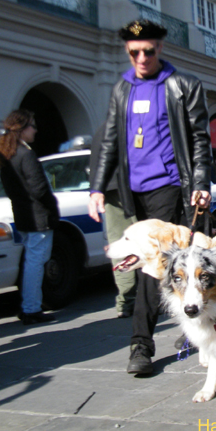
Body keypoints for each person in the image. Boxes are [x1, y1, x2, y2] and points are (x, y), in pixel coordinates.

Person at [88, 20, 211, 376]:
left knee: (149, 265)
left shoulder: (183, 85)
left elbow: (200, 138)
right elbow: (110, 140)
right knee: (174, 267)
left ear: (160, 48)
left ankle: (140, 344)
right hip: (133, 193)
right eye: (134, 52)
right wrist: (97, 187)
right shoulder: (121, 89)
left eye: (148, 51)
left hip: (171, 187)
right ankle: (193, 330)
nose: (141, 58)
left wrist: (200, 181)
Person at [0, 109, 59, 325]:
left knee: (30, 261)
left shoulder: (7, 156)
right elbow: (40, 189)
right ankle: (31, 309)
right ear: (22, 129)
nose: (35, 130)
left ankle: (28, 306)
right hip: (38, 216)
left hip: (23, 215)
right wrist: (53, 207)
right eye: (32, 126)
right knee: (36, 262)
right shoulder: (26, 154)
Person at [89, 127, 137, 318]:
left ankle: (126, 301)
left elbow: (96, 163)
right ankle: (148, 298)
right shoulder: (132, 121)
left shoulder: (101, 130)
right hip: (133, 188)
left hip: (108, 189)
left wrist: (95, 190)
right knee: (145, 243)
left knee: (119, 245)